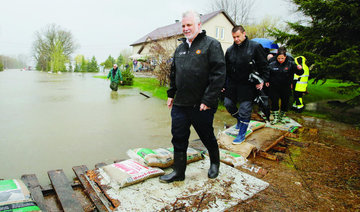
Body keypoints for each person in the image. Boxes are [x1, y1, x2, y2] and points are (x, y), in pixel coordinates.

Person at [160, 10, 226, 183]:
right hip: (181, 103)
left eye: (189, 25)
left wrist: (209, 99)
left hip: (201, 104)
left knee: (206, 135)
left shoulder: (211, 45)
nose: (186, 28)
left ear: (199, 25)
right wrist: (171, 94)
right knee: (179, 137)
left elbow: (219, 74)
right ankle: (179, 172)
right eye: (183, 26)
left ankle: (215, 163)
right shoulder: (180, 48)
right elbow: (174, 74)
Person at [223, 25, 270, 144]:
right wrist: (223, 84)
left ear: (244, 34)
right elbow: (226, 69)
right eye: (234, 37)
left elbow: (264, 65)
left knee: (245, 109)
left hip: (248, 84)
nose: (236, 39)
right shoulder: (230, 50)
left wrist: (262, 80)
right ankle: (239, 119)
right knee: (228, 104)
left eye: (238, 36)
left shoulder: (255, 47)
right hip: (233, 83)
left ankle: (241, 134)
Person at [265, 47, 304, 124]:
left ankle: (281, 117)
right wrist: (267, 80)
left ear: (285, 57)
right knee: (274, 102)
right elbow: (266, 72)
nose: (280, 60)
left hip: (286, 86)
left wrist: (300, 69)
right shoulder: (271, 61)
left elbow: (299, 73)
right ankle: (276, 117)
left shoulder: (291, 62)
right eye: (278, 58)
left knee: (285, 102)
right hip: (274, 86)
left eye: (282, 58)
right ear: (276, 56)